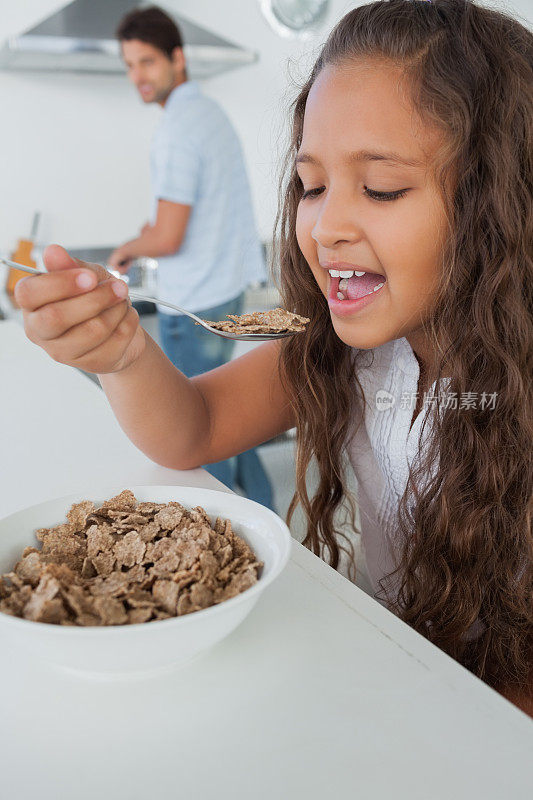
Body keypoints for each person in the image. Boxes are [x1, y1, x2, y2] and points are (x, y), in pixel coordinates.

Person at [16, 0, 532, 714]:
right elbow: (191, 428)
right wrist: (122, 354)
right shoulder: (349, 357)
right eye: (311, 186)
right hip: (384, 683)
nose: (324, 226)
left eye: (380, 187)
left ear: (498, 205)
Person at [108, 6, 273, 508]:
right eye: (130, 64)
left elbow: (170, 238)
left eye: (147, 62)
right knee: (231, 422)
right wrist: (151, 233)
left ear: (177, 58)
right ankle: (279, 527)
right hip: (227, 292)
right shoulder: (211, 114)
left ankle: (235, 549)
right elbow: (185, 221)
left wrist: (126, 249)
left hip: (196, 304)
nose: (137, 75)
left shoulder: (178, 129)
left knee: (199, 444)